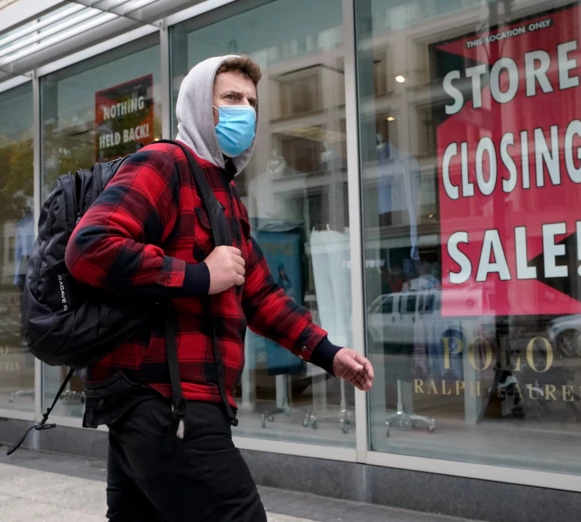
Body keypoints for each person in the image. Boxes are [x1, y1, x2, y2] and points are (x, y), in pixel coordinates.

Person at [65, 55, 374, 522]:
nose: (244, 110)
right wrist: (199, 276)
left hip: (164, 402)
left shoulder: (225, 194)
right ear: (196, 106)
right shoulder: (164, 163)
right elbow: (90, 247)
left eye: (251, 102)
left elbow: (261, 295)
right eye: (230, 98)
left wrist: (329, 353)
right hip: (167, 400)